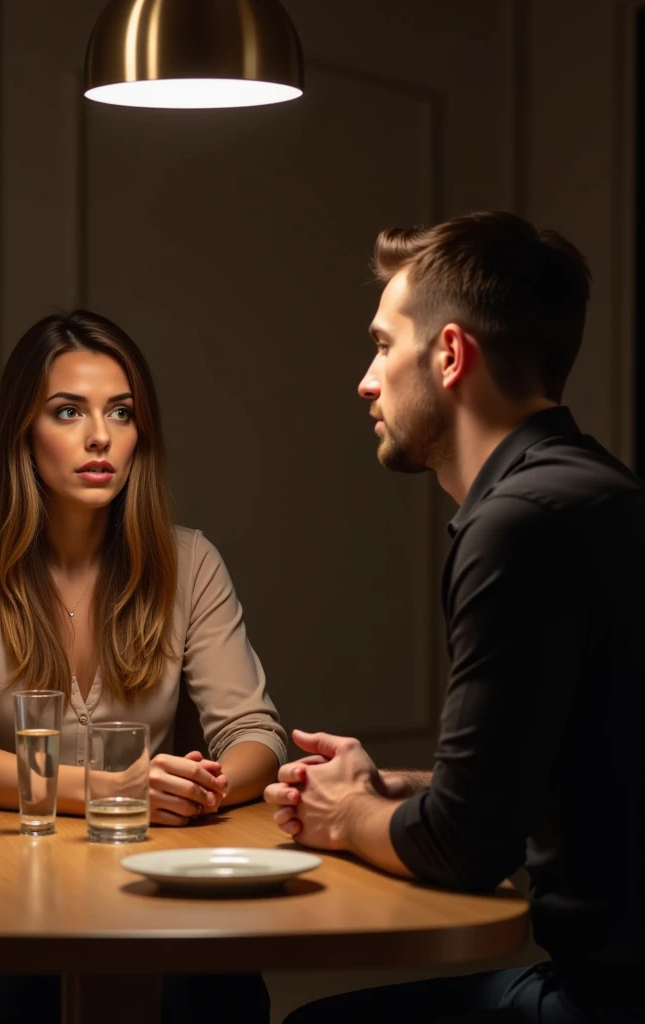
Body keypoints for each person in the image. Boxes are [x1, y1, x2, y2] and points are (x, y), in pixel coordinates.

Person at [265, 212, 644, 1023]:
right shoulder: (598, 492)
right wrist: (404, 788)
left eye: (381, 345)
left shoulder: (519, 525)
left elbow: (467, 851)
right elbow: (582, 779)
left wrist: (345, 814)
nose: (366, 382)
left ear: (447, 354)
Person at [0, 310, 285, 1023]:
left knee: (223, 991)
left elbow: (256, 734)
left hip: (144, 895)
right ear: (24, 429)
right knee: (27, 997)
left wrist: (203, 789)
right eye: (68, 411)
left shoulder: (190, 562)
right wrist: (118, 791)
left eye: (121, 412)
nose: (99, 437)